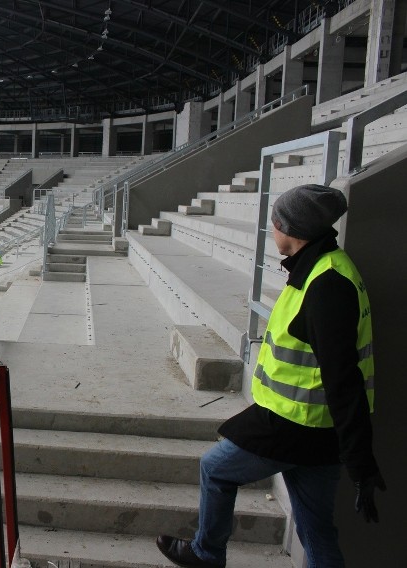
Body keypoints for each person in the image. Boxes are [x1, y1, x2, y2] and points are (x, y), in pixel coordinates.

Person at [156, 184, 385, 568]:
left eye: (275, 222)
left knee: (216, 469)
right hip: (316, 428)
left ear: (292, 229)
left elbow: (343, 380)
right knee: (315, 531)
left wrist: (360, 462)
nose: (271, 229)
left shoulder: (327, 285)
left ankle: (207, 553)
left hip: (297, 424)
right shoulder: (323, 267)